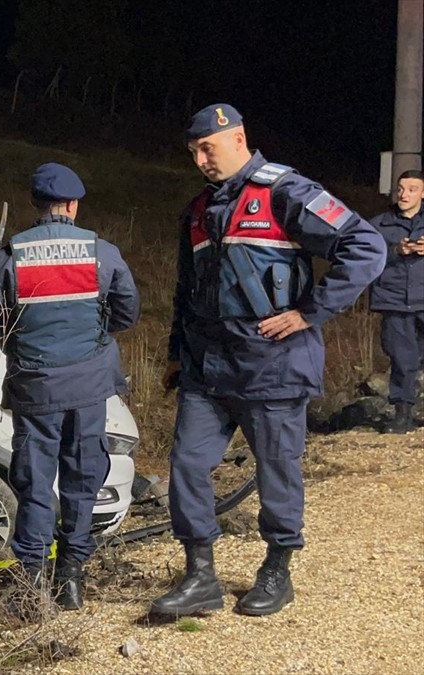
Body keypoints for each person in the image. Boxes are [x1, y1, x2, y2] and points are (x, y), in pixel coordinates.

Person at [154, 104, 385, 617]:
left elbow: (365, 246)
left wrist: (311, 313)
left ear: (238, 138)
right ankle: (200, 577)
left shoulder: (285, 192)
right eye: (193, 151)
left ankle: (277, 571)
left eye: (207, 148)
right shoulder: (197, 211)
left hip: (272, 364)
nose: (200, 160)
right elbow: (185, 292)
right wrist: (174, 355)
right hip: (207, 370)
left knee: (278, 470)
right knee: (188, 466)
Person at [0, 163, 140, 615]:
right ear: (74, 205)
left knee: (36, 484)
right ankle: (72, 579)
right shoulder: (102, 254)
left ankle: (30, 582)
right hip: (88, 388)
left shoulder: (9, 256)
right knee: (83, 481)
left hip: (36, 391)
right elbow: (126, 314)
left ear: (36, 205)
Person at [368, 169, 424, 433]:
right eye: (400, 189)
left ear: (423, 193)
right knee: (403, 359)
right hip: (394, 300)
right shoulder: (379, 224)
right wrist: (395, 251)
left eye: (412, 189)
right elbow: (365, 256)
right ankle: (403, 416)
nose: (404, 194)